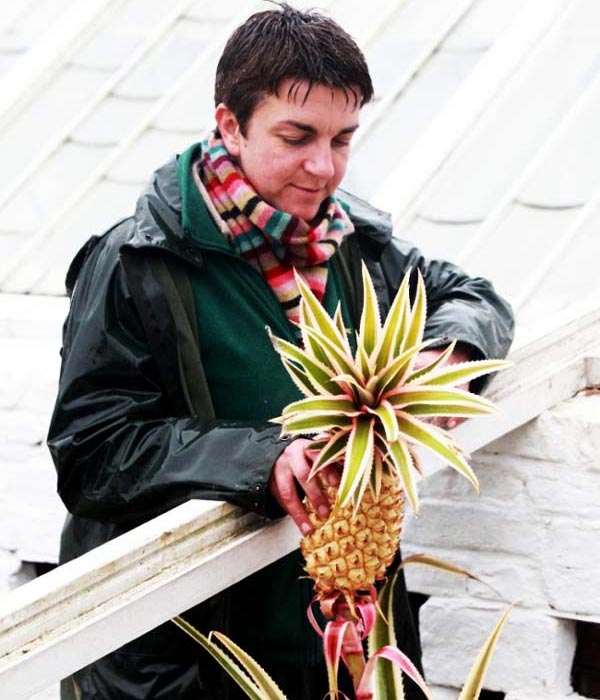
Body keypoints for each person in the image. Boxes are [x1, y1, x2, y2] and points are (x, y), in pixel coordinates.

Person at [48, 4, 514, 699]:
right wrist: (263, 458)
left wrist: (447, 353)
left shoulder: (355, 243)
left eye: (342, 139)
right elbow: (91, 451)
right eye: (297, 137)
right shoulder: (136, 261)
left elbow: (477, 297)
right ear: (230, 125)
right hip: (184, 668)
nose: (323, 166)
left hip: (339, 650)